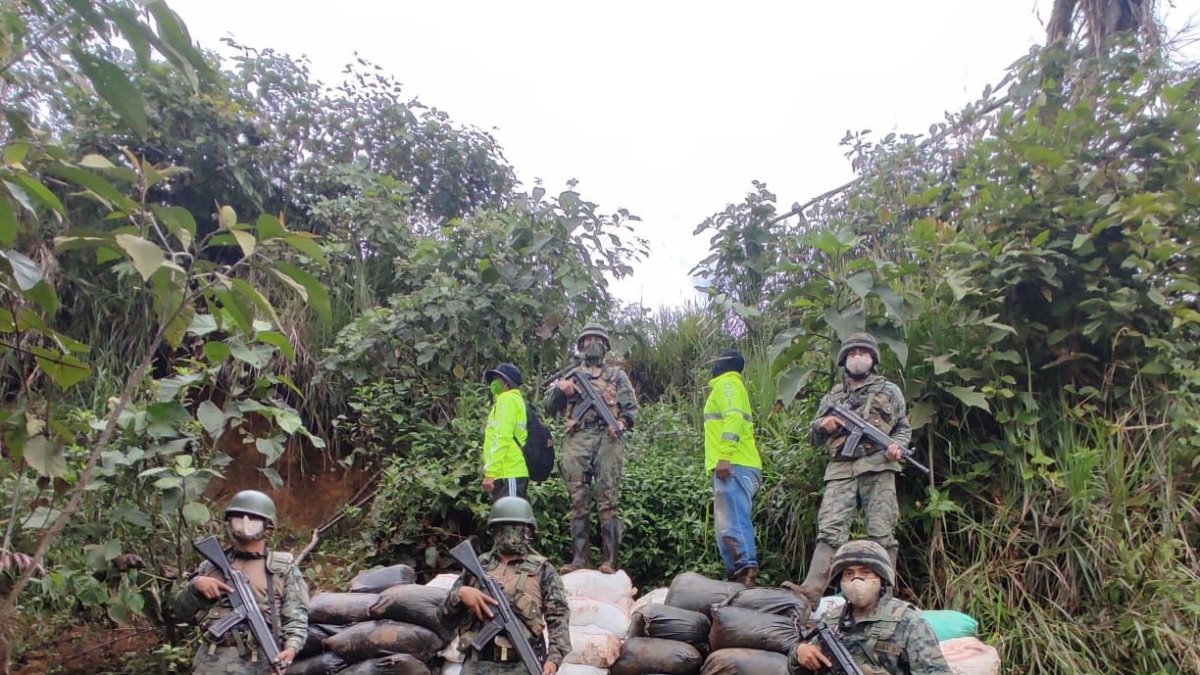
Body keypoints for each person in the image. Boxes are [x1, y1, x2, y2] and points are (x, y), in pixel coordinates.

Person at [791, 332, 911, 609]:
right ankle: (810, 593)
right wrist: (824, 425)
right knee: (830, 530)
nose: (858, 357)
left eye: (863, 352)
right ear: (844, 359)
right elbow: (813, 436)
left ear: (873, 359)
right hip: (841, 469)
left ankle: (885, 598)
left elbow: (903, 427)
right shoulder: (834, 395)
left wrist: (898, 447)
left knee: (881, 532)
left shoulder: (888, 390)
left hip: (878, 465)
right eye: (852, 352)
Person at [172, 490, 309, 674]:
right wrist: (196, 586)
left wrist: (291, 649)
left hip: (258, 663)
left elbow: (296, 618)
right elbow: (178, 613)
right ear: (229, 522)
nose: (245, 522)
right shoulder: (210, 566)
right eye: (239, 517)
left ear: (268, 527)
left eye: (253, 518)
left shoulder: (281, 568)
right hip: (211, 663)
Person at [544, 322, 638, 575]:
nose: (593, 342)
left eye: (598, 338)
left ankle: (609, 560)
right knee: (578, 500)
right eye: (588, 338)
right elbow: (549, 407)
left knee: (607, 499)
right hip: (578, 437)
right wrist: (560, 391)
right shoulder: (571, 374)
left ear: (605, 346)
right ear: (581, 344)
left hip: (608, 439)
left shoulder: (616, 376)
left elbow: (631, 409)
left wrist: (620, 423)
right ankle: (578, 559)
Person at [441, 496, 571, 675]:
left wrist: (553, 660)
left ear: (528, 532)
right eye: (505, 529)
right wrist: (461, 594)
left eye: (517, 529)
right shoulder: (479, 566)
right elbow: (444, 617)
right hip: (477, 664)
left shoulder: (543, 570)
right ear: (494, 531)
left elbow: (559, 619)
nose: (511, 535)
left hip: (521, 665)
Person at [788, 540, 949, 675]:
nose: (857, 579)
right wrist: (799, 652)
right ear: (840, 581)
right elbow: (796, 663)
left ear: (881, 579)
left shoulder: (908, 623)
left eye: (866, 572)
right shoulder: (831, 621)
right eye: (849, 573)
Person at [703, 348, 763, 586]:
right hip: (736, 464)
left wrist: (725, 456)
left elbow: (733, 418)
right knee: (727, 522)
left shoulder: (727, 385)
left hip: (735, 464)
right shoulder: (729, 385)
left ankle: (744, 573)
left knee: (733, 521)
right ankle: (737, 574)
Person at [482, 362, 529, 500]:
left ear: (506, 382)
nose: (494, 383)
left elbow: (503, 437)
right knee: (504, 518)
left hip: (510, 472)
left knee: (510, 518)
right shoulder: (506, 401)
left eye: (497, 379)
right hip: (504, 474)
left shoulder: (508, 400)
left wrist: (490, 473)